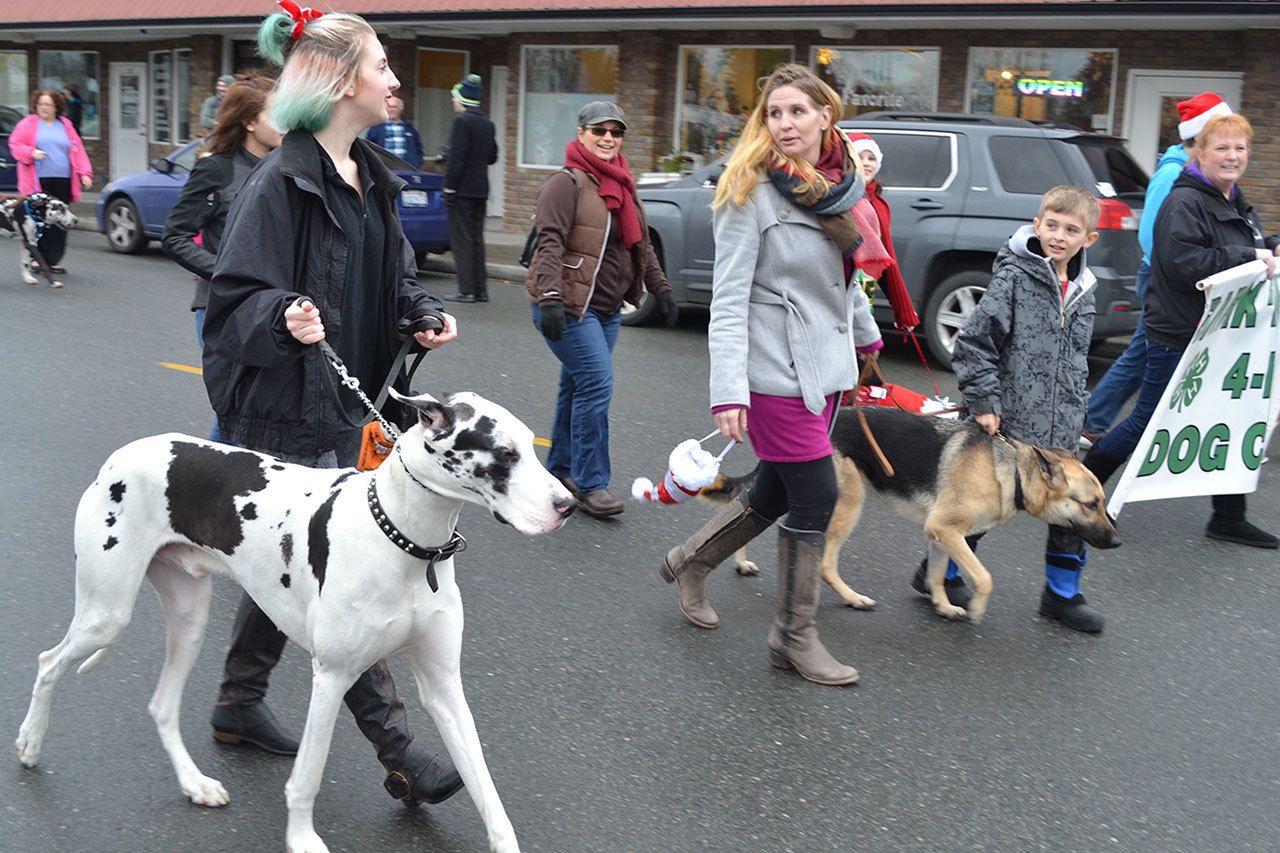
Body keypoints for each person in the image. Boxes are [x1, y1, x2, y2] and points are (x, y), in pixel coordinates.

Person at [200, 6, 465, 805]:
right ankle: (401, 751)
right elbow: (231, 299)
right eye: (382, 66)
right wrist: (281, 314)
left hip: (345, 406)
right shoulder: (278, 181)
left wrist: (420, 310)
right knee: (332, 583)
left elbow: (394, 275)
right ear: (343, 81)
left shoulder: (369, 177)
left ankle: (238, 702)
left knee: (285, 564)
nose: (394, 80)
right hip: (279, 412)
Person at [658, 64, 883, 686]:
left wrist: (865, 331)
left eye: (797, 112)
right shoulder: (747, 192)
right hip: (772, 370)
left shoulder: (839, 190)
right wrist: (727, 390)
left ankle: (690, 561)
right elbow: (727, 301)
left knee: (779, 492)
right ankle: (792, 637)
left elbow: (842, 279)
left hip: (827, 368)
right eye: (774, 113)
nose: (784, 123)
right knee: (817, 493)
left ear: (824, 117)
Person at [1083, 113, 1279, 549]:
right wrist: (1248, 254)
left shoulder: (1229, 196)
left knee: (1233, 418)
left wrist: (1270, 246)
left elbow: (1246, 241)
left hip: (1221, 332)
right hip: (1179, 332)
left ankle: (1228, 518)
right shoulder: (1184, 200)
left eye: (1240, 148)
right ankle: (1080, 493)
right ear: (1200, 153)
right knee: (1149, 420)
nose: (1232, 156)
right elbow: (1182, 263)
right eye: (1222, 148)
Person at [939, 186, 1107, 632]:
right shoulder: (1013, 279)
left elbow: (1075, 360)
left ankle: (1062, 594)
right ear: (1037, 226)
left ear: (1088, 239)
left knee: (1072, 509)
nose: (1059, 236)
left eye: (1071, 230)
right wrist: (985, 402)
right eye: (1051, 225)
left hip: (1061, 430)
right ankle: (942, 573)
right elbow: (974, 343)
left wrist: (1078, 412)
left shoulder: (1086, 290)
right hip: (1005, 426)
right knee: (980, 506)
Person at [525, 100, 677, 518]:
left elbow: (640, 244)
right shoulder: (565, 183)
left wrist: (659, 289)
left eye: (615, 132)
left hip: (607, 308)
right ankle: (591, 482)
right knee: (596, 384)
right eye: (599, 131)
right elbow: (550, 242)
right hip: (570, 307)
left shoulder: (623, 184)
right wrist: (552, 299)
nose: (608, 138)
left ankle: (560, 470)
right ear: (581, 134)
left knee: (576, 386)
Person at [1081, 92, 1234, 447]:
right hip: (1164, 280)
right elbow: (1153, 234)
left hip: (1179, 280)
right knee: (1142, 353)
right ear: (1201, 135)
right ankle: (1093, 423)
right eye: (1219, 135)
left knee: (1144, 353)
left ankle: (1095, 421)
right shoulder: (1173, 174)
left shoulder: (1201, 172)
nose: (1228, 149)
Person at [162, 74, 282, 443]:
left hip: (274, 309)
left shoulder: (285, 167)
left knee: (267, 413)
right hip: (223, 308)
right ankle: (205, 492)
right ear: (248, 121)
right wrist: (227, 272)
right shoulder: (216, 168)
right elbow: (175, 236)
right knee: (234, 412)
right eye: (276, 115)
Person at [6, 89, 93, 276]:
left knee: (60, 219)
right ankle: (38, 259)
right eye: (40, 104)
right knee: (38, 221)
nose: (44, 108)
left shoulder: (66, 125)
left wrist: (84, 173)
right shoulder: (27, 124)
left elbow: (78, 151)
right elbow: (15, 146)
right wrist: (31, 152)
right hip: (37, 182)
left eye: (48, 105)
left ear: (56, 107)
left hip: (63, 180)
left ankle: (52, 260)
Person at [845, 132, 920, 331]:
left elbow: (886, 259)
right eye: (860, 157)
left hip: (864, 283)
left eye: (871, 158)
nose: (866, 163)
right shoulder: (836, 197)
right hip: (836, 281)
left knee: (861, 340)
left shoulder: (879, 205)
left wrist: (903, 310)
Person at [442, 74, 498, 303]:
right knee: (476, 239)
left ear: (462, 99)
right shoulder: (488, 123)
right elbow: (492, 156)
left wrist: (449, 188)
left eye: (455, 98)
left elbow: (457, 160)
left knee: (462, 240)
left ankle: (465, 290)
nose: (453, 102)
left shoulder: (461, 122)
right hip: (481, 189)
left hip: (462, 190)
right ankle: (480, 290)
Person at [365, 95, 424, 167]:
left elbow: (418, 149)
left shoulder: (410, 128)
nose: (391, 109)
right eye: (389, 107)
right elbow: (368, 148)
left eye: (394, 107)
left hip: (406, 169)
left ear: (400, 109)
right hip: (384, 169)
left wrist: (416, 163)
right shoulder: (376, 128)